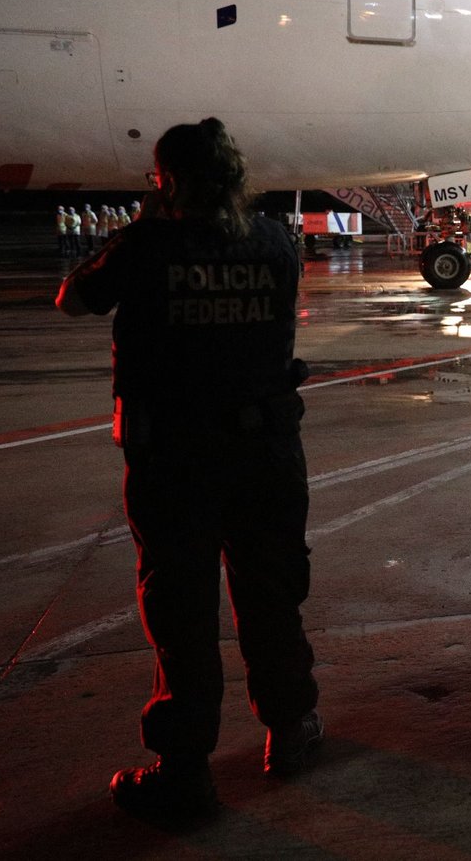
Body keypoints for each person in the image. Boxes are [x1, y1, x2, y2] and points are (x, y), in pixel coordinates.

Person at [56, 118, 321, 819]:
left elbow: (73, 297)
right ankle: (290, 730)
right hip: (265, 450)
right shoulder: (274, 241)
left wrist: (146, 225)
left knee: (182, 612)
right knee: (272, 594)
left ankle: (185, 770)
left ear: (168, 179)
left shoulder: (146, 246)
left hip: (176, 458)